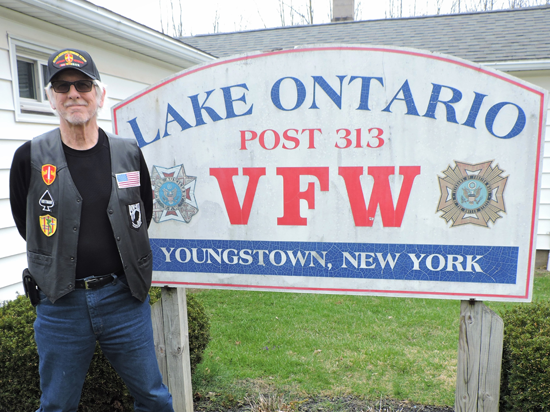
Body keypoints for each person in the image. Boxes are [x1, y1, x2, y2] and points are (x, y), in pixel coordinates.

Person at [9, 48, 174, 412]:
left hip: (123, 298)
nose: (73, 93)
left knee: (155, 398)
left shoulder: (128, 153)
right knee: (56, 405)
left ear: (100, 95)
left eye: (83, 85)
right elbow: (29, 226)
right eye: (62, 86)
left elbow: (140, 214)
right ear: (52, 99)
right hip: (60, 304)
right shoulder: (30, 158)